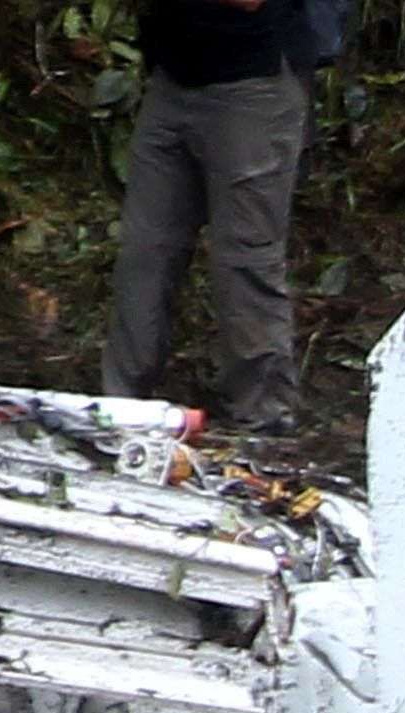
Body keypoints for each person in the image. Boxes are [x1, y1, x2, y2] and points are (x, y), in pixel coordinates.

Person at [105, 0, 350, 437]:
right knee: (145, 249)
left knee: (244, 256)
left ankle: (263, 414)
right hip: (174, 78)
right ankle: (119, 403)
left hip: (254, 84)